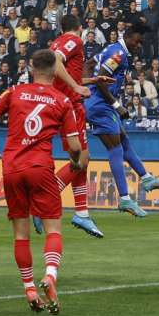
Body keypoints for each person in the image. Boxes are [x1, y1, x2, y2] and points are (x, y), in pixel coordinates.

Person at [0, 49, 82, 314]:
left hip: (11, 168)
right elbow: (74, 144)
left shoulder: (15, 92)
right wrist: (76, 160)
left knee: (21, 234)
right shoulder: (62, 100)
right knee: (53, 230)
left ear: (32, 67)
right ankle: (49, 276)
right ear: (55, 70)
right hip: (40, 167)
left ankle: (29, 289)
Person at [83, 21, 159, 217]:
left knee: (123, 141)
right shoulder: (118, 54)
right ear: (130, 36)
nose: (139, 46)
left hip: (100, 103)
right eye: (138, 42)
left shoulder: (113, 49)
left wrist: (83, 88)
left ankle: (147, 178)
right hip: (100, 105)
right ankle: (124, 199)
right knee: (115, 148)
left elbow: (89, 64)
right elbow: (101, 79)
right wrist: (116, 104)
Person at [36, 13, 104, 238]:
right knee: (82, 159)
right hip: (70, 107)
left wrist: (90, 81)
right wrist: (76, 87)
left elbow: (58, 71)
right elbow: (56, 62)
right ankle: (45, 201)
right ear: (80, 27)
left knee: (80, 159)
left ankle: (82, 213)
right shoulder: (75, 40)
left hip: (62, 104)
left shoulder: (58, 41)